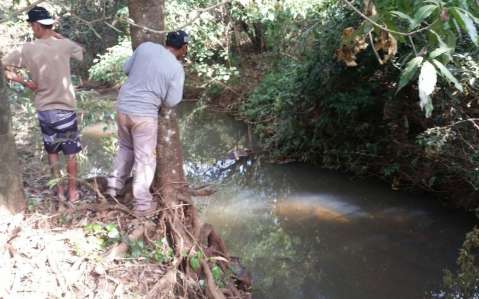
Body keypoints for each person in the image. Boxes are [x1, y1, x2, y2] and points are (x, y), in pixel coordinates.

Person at [2, 6, 84, 203]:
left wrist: (26, 82)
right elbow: (81, 51)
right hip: (65, 110)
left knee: (53, 152)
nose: (31, 29)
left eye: (32, 25)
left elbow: (3, 65)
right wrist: (56, 35)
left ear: (37, 26)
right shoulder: (64, 45)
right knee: (71, 152)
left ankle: (59, 191)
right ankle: (73, 192)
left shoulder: (26, 49)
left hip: (45, 110)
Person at [106, 30, 188, 217]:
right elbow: (172, 101)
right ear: (183, 48)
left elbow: (126, 69)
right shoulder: (176, 68)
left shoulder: (145, 48)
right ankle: (142, 205)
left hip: (123, 107)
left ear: (166, 42)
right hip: (144, 115)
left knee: (125, 148)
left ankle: (113, 187)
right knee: (145, 159)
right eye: (185, 49)